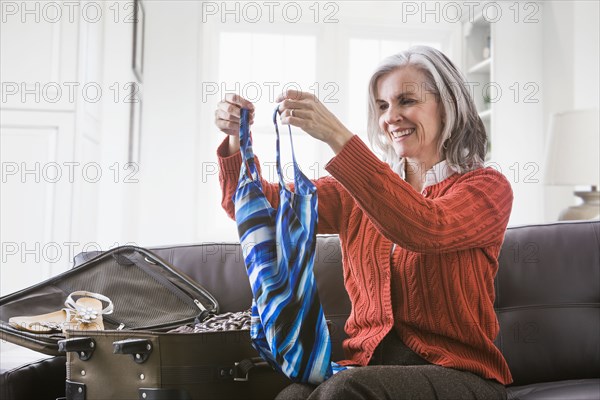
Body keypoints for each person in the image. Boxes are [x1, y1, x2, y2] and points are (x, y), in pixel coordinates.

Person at [214, 45, 513, 400]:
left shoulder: (485, 188)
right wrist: (236, 139)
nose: (391, 117)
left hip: (459, 374)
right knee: (292, 395)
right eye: (383, 106)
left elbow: (425, 228)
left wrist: (337, 137)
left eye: (406, 101)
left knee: (344, 391)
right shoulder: (353, 192)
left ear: (447, 104)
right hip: (370, 367)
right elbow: (255, 207)